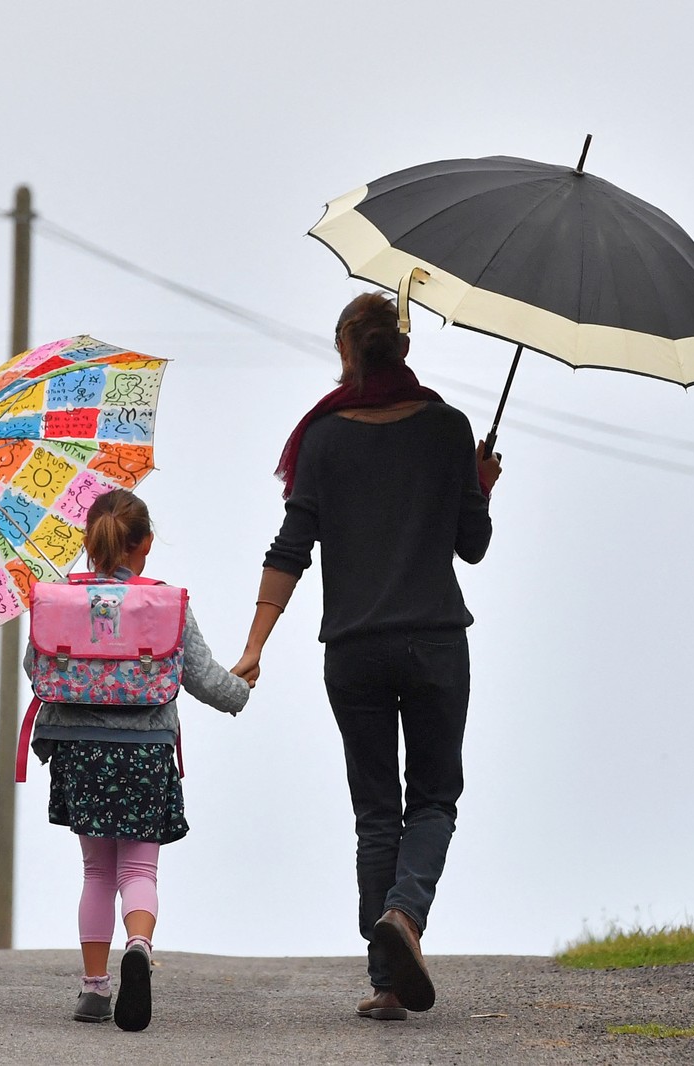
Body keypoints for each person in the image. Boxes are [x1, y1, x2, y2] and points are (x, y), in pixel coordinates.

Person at [232, 291, 501, 1021]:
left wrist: (255, 645)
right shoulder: (449, 428)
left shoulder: (322, 439)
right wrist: (477, 485)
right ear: (403, 350)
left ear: (348, 352)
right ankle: (405, 917)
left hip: (353, 648)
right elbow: (470, 547)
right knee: (435, 796)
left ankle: (386, 982)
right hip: (436, 640)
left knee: (376, 812)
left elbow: (292, 547)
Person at [23, 487, 250, 1032]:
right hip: (146, 750)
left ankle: (95, 989)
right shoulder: (165, 601)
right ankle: (140, 947)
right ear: (144, 542)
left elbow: (38, 669)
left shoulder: (58, 601)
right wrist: (240, 686)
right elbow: (203, 680)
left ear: (89, 542)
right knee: (139, 867)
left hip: (80, 751)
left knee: (96, 869)